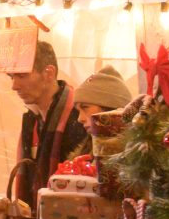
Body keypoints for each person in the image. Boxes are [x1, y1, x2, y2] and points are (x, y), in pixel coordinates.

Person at [7, 39, 90, 209]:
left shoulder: (79, 118)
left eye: (22, 75)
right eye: (11, 77)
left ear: (49, 73)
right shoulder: (31, 119)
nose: (14, 86)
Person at [71, 65, 133, 135]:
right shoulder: (88, 144)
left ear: (111, 108)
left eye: (85, 107)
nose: (79, 119)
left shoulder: (140, 145)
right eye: (78, 111)